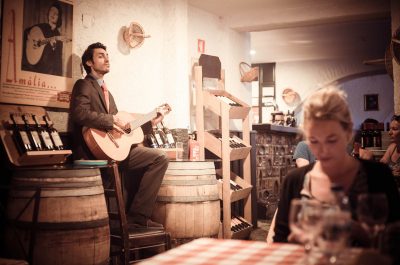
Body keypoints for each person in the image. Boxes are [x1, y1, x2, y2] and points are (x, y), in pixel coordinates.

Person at [273, 86, 400, 245]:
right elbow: (280, 239)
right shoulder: (294, 181)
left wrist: (357, 232)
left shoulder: (378, 176)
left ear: (348, 132)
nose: (323, 151)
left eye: (332, 140)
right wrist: (292, 242)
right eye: (314, 141)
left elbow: (395, 241)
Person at [70, 42, 169, 229]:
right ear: (89, 63)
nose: (107, 58)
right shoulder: (83, 85)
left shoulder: (109, 94)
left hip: (114, 151)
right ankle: (121, 223)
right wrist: (111, 120)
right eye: (100, 56)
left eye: (107, 55)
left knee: (160, 158)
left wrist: (150, 123)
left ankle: (138, 216)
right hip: (92, 152)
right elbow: (79, 114)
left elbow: (123, 130)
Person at [21, 1, 64, 76]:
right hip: (33, 65)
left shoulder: (58, 36)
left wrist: (54, 48)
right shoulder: (41, 27)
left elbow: (58, 61)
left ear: (58, 17)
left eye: (56, 13)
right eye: (51, 11)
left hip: (45, 71)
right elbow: (27, 32)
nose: (52, 14)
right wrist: (30, 37)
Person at [380, 115, 400, 187]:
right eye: (390, 129)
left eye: (394, 129)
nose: (389, 132)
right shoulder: (392, 147)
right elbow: (380, 168)